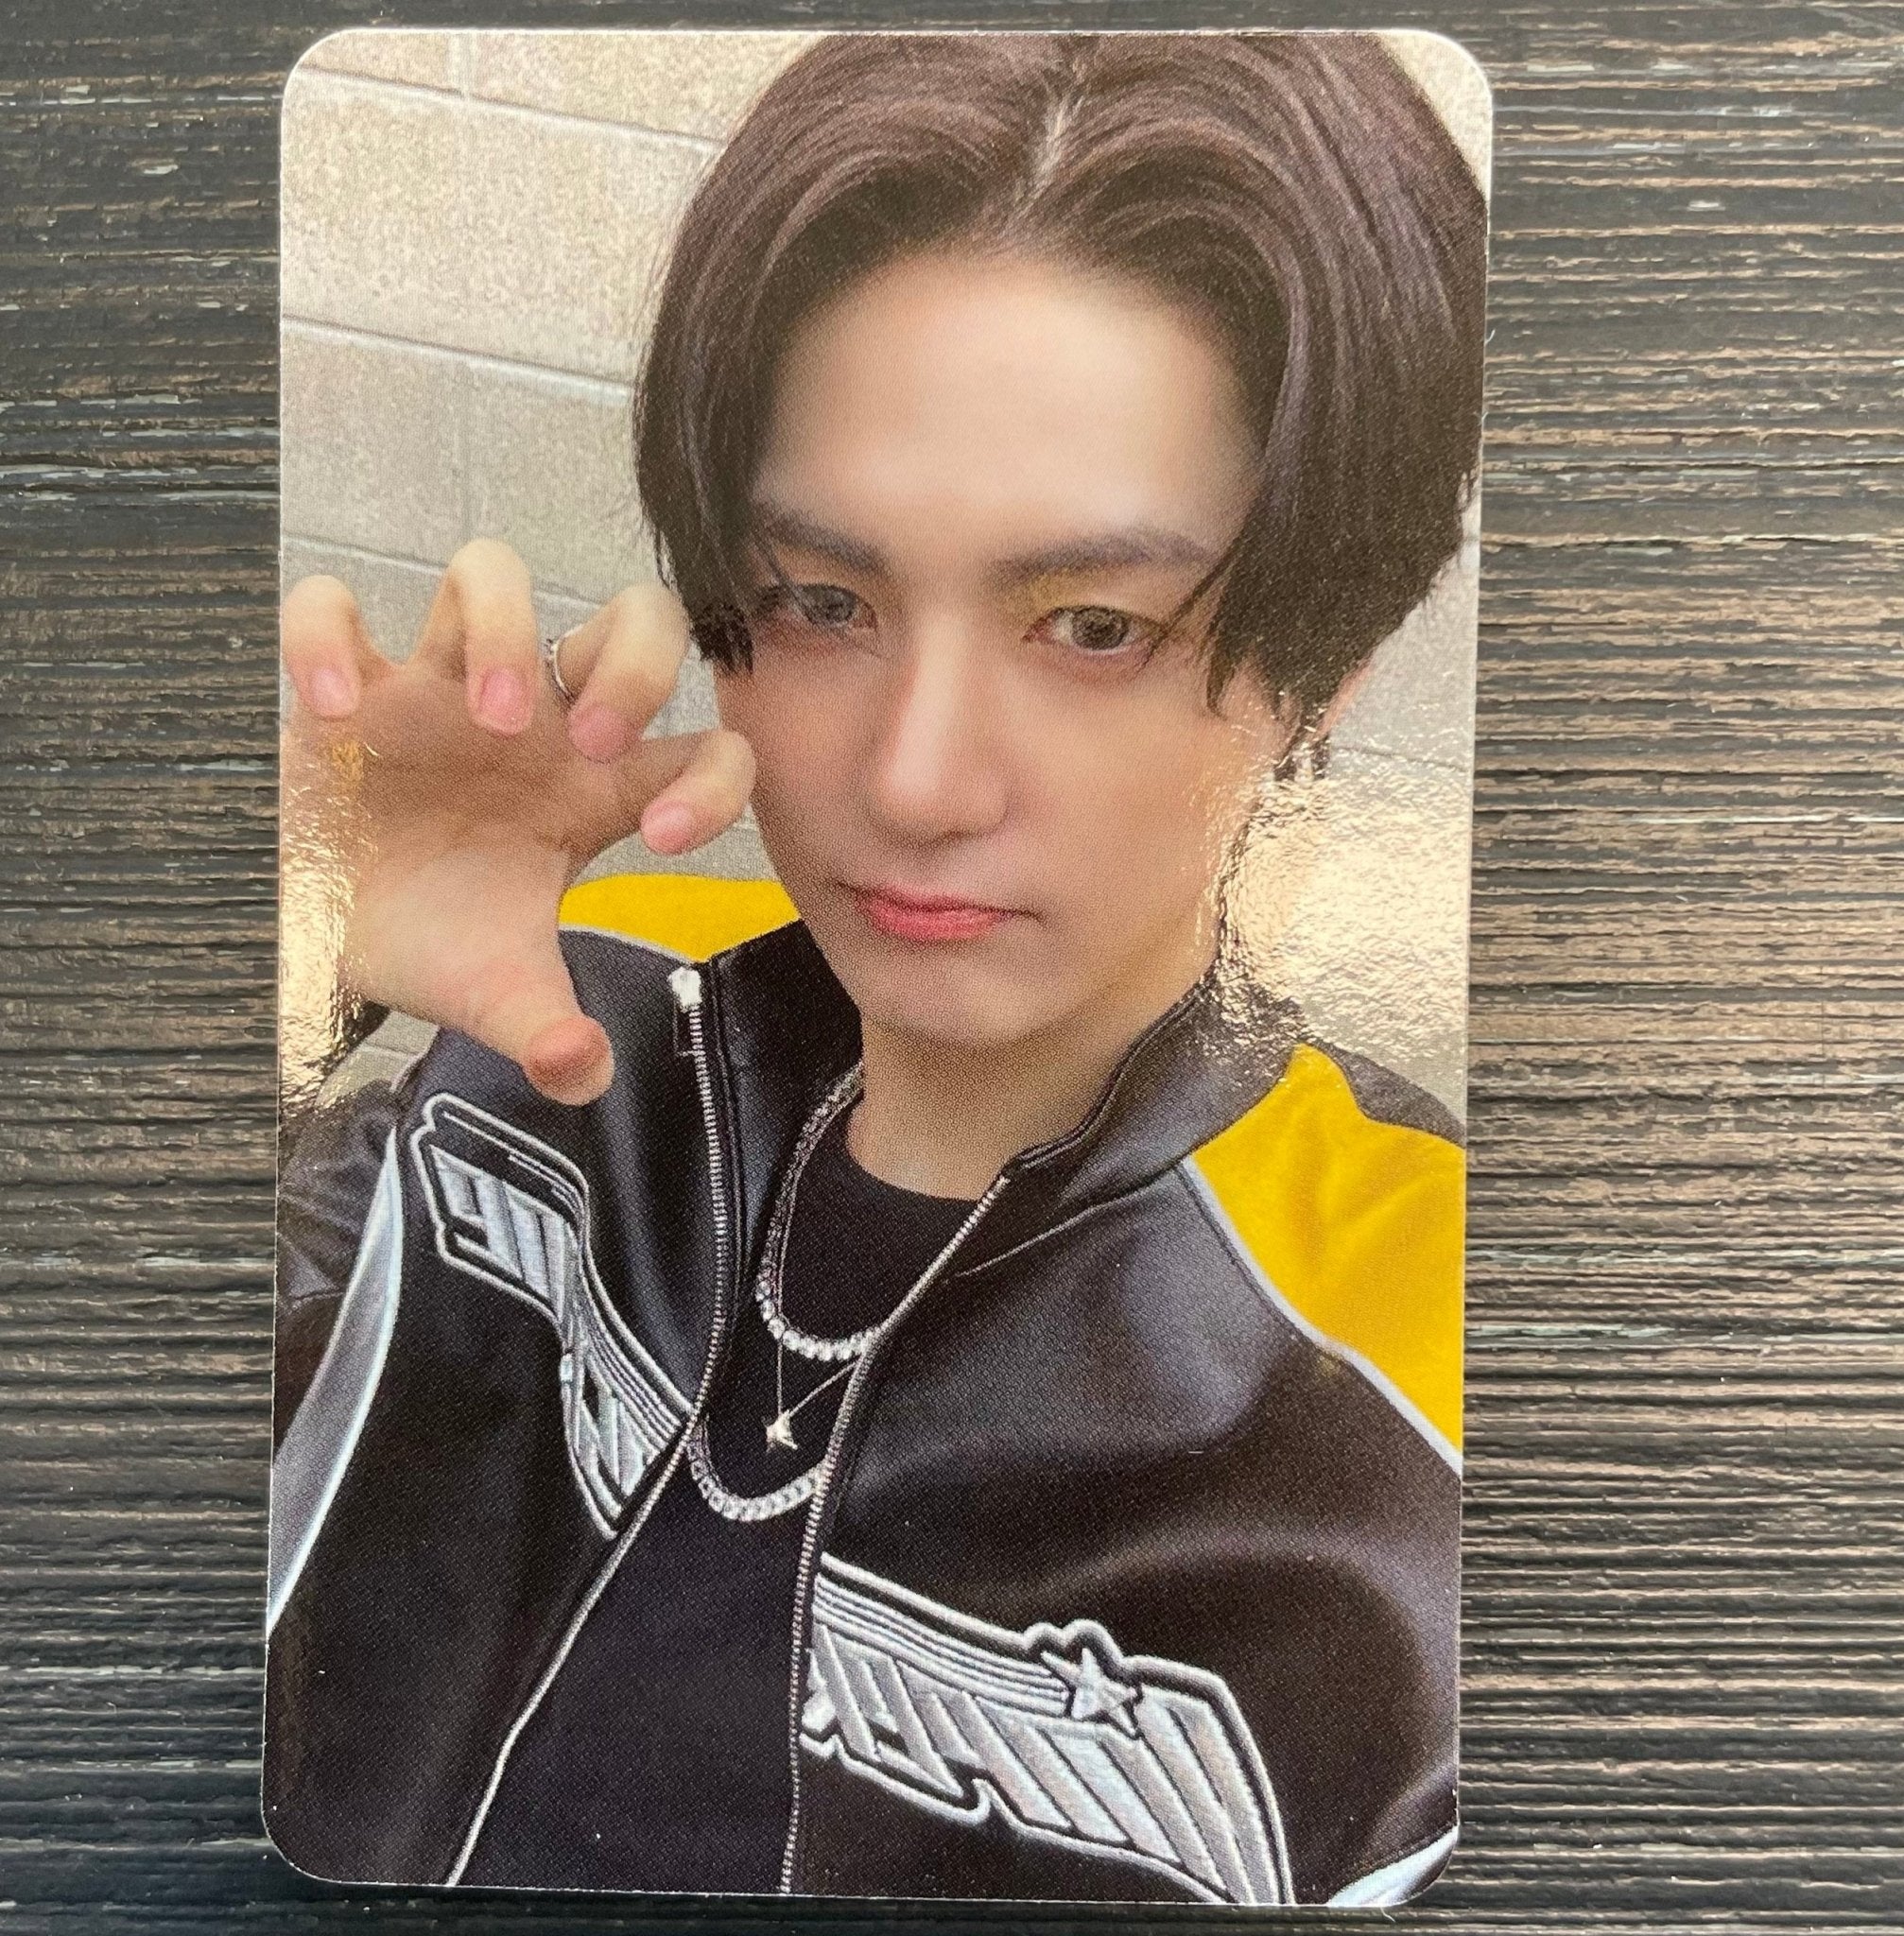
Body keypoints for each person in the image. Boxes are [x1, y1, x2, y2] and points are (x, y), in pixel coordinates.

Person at [265, 28, 1486, 1909]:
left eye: (1093, 626)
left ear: (1326, 661)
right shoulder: (557, 1033)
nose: (914, 781)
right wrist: (277, 967)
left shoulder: (1417, 1375)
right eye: (825, 602)